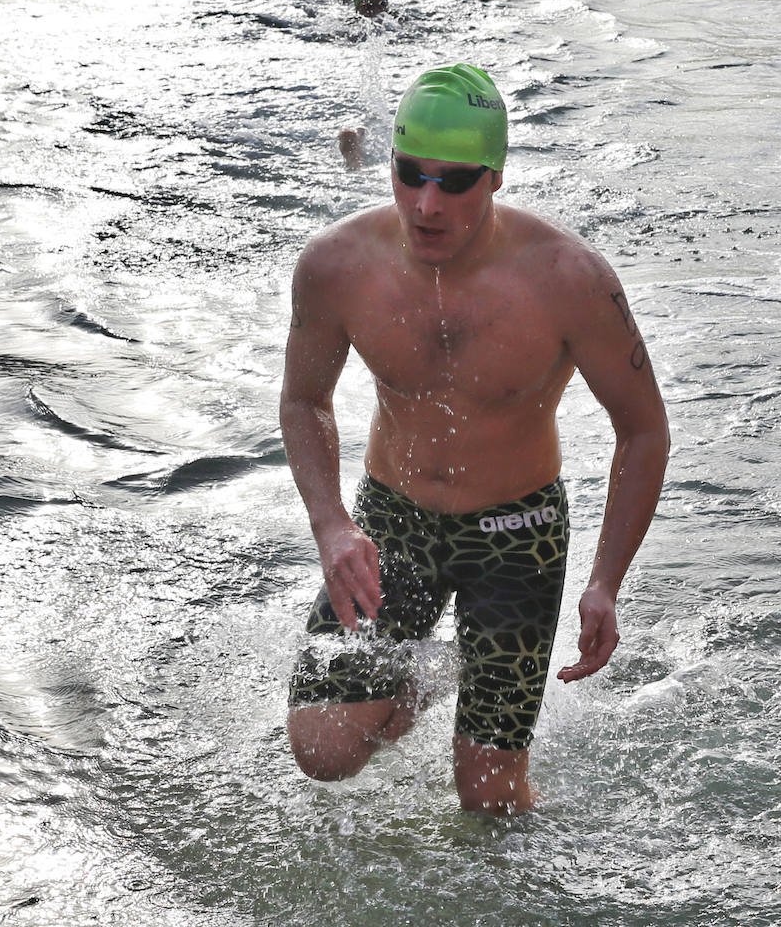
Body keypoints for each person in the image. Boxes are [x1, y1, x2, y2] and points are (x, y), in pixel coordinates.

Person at [280, 64, 669, 815]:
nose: (427, 204)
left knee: (488, 801)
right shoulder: (336, 266)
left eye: (454, 182)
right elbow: (304, 401)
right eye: (409, 175)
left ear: (495, 177)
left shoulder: (569, 278)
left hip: (516, 537)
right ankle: (438, 674)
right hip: (392, 522)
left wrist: (605, 582)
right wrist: (331, 524)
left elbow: (644, 431)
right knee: (323, 750)